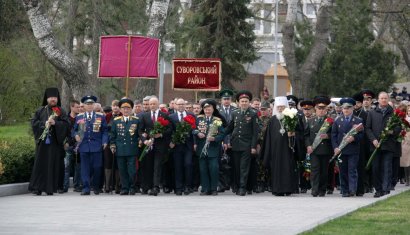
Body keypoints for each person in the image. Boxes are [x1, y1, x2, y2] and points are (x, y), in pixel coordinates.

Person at [29, 88, 70, 195]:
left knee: (53, 164)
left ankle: (50, 188)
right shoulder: (40, 111)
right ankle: (37, 187)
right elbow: (34, 123)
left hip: (55, 144)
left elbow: (67, 125)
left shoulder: (61, 111)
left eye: (55, 97)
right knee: (40, 164)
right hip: (42, 144)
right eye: (51, 97)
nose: (53, 99)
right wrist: (44, 124)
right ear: (47, 99)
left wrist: (55, 124)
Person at [366, 92, 401, 197]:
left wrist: (390, 132)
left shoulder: (394, 113)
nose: (384, 100)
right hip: (375, 146)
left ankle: (385, 189)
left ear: (388, 99)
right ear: (378, 99)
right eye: (382, 98)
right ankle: (378, 189)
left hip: (388, 145)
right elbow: (368, 128)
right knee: (376, 168)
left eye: (385, 98)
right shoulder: (372, 112)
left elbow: (398, 128)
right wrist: (373, 140)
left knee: (387, 168)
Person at [261, 96, 298, 196]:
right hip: (275, 150)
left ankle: (288, 189)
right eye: (278, 107)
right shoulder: (273, 120)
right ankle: (277, 189)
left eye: (282, 107)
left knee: (287, 167)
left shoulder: (292, 117)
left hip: (287, 149)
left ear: (286, 107)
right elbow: (268, 137)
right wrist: (268, 151)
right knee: (276, 169)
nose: (280, 109)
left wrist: (293, 135)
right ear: (275, 108)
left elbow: (299, 133)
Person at [224, 90, 259, 196]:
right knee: (237, 167)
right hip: (235, 144)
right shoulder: (235, 113)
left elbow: (255, 132)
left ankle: (243, 187)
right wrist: (219, 134)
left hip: (247, 145)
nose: (244, 103)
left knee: (244, 167)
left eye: (246, 101)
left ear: (249, 102)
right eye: (242, 101)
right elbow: (230, 128)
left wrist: (253, 146)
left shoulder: (253, 114)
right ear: (238, 102)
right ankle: (238, 185)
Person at [73, 95, 108, 195]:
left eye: (91, 104)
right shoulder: (79, 117)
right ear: (84, 105)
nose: (89, 106)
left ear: (94, 105)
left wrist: (104, 141)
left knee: (97, 167)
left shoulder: (100, 116)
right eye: (87, 104)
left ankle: (96, 187)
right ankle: (86, 188)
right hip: (84, 146)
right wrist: (75, 135)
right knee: (85, 168)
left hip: (97, 146)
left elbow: (105, 131)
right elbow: (74, 130)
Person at [138, 96, 172, 196]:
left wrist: (161, 134)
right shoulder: (145, 116)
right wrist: (144, 140)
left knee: (157, 166)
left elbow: (169, 129)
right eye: (150, 104)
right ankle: (146, 186)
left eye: (154, 104)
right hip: (148, 145)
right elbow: (140, 130)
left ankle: (155, 187)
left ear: (158, 104)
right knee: (148, 166)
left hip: (160, 145)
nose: (152, 106)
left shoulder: (164, 115)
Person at [331, 98, 364, 197]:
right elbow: (334, 135)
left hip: (353, 150)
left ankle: (352, 189)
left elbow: (362, 135)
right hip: (341, 150)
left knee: (352, 170)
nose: (346, 110)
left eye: (348, 108)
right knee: (343, 171)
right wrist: (335, 147)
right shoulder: (337, 120)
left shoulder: (358, 120)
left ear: (352, 108)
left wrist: (354, 138)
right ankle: (344, 190)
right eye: (344, 108)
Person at [194, 99, 225, 195]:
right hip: (201, 148)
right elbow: (192, 129)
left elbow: (222, 134)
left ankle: (213, 188)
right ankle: (205, 188)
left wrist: (214, 139)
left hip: (213, 148)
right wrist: (197, 133)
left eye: (209, 109)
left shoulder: (217, 120)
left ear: (213, 109)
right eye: (205, 109)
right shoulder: (198, 119)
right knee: (203, 169)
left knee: (214, 168)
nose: (207, 111)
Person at [110, 98, 140, 195]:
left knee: (132, 170)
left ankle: (132, 186)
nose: (126, 110)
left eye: (128, 108)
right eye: (123, 108)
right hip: (120, 149)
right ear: (120, 110)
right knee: (122, 170)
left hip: (132, 149)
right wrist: (113, 145)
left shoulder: (136, 120)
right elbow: (113, 135)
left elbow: (139, 134)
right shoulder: (116, 121)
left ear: (131, 109)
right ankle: (124, 187)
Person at [305, 96, 333, 197]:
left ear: (326, 110)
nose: (321, 111)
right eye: (319, 109)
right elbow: (306, 135)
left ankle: (322, 189)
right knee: (315, 170)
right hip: (314, 149)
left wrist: (328, 136)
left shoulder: (330, 121)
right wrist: (308, 145)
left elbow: (334, 134)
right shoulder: (310, 121)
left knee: (324, 171)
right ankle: (314, 189)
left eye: (323, 109)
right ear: (315, 109)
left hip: (325, 149)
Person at [169, 98, 196, 195]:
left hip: (188, 145)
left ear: (185, 105)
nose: (181, 106)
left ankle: (188, 186)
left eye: (182, 104)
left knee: (188, 164)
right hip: (177, 146)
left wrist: (195, 143)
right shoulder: (172, 117)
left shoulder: (191, 115)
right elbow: (170, 131)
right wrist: (171, 141)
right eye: (179, 104)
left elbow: (194, 130)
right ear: (175, 105)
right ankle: (178, 187)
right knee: (178, 166)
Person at [217, 89, 236, 193]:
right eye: (224, 99)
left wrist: (230, 141)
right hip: (221, 141)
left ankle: (233, 184)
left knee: (233, 163)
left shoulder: (235, 110)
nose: (226, 101)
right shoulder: (217, 111)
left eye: (228, 99)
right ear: (221, 100)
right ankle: (222, 184)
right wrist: (224, 141)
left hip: (234, 141)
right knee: (221, 164)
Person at [103, 100, 122, 193]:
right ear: (111, 107)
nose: (115, 107)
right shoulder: (107, 116)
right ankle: (107, 185)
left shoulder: (123, 115)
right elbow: (104, 130)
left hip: (120, 143)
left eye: (117, 106)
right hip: (108, 143)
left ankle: (117, 185)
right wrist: (106, 142)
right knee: (108, 163)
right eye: (114, 106)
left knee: (118, 164)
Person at [63, 100, 81, 193]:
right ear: (72, 107)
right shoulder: (65, 118)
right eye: (77, 107)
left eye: (79, 107)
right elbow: (62, 132)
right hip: (68, 146)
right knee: (67, 167)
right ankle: (64, 186)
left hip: (78, 146)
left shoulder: (81, 118)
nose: (79, 108)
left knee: (78, 167)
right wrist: (64, 142)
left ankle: (77, 186)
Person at [400, 105, 410, 186]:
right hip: (405, 141)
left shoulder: (407, 119)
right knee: (406, 161)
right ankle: (407, 179)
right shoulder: (402, 119)